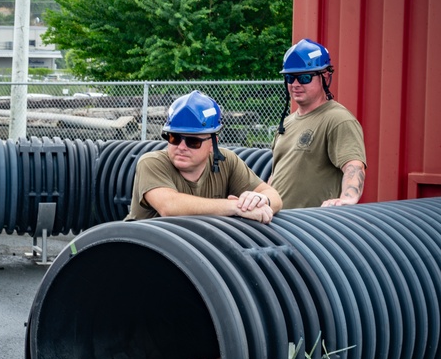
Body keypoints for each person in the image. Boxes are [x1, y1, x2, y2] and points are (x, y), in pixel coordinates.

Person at [125, 90, 282, 222]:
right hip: (144, 250)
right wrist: (236, 207)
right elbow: (169, 206)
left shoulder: (226, 161)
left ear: (213, 144)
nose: (181, 147)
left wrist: (260, 201)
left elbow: (274, 197)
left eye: (193, 141)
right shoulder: (152, 162)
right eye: (174, 138)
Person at [269, 39, 367, 209]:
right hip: (277, 223)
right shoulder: (286, 123)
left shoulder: (338, 119)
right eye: (290, 77)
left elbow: (354, 165)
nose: (296, 84)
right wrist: (263, 199)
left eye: (305, 77)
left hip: (310, 229)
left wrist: (348, 198)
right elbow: (278, 174)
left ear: (325, 76)